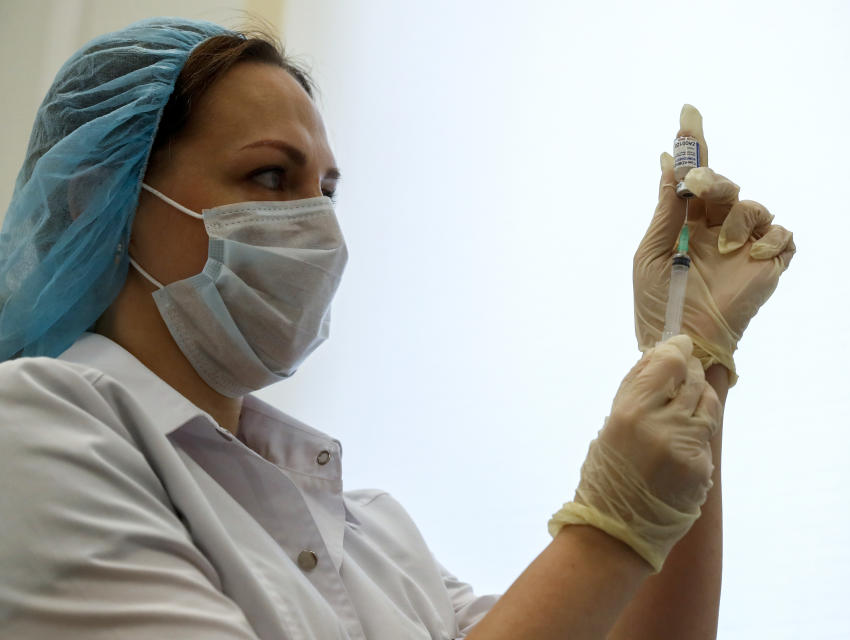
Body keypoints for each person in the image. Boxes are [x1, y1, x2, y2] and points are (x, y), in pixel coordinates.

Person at [0, 17, 794, 640]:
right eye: (270, 176)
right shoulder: (35, 434)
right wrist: (613, 523)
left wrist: (696, 354)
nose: (317, 226)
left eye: (327, 191)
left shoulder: (370, 534)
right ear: (94, 198)